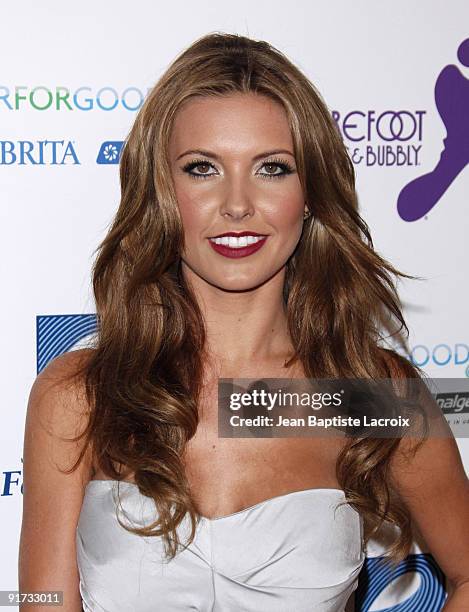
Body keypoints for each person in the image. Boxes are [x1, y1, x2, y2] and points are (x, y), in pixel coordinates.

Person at [18, 32, 469, 611]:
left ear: (310, 195)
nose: (237, 204)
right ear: (161, 190)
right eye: (202, 168)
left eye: (272, 168)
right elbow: (41, 600)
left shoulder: (365, 394)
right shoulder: (81, 395)